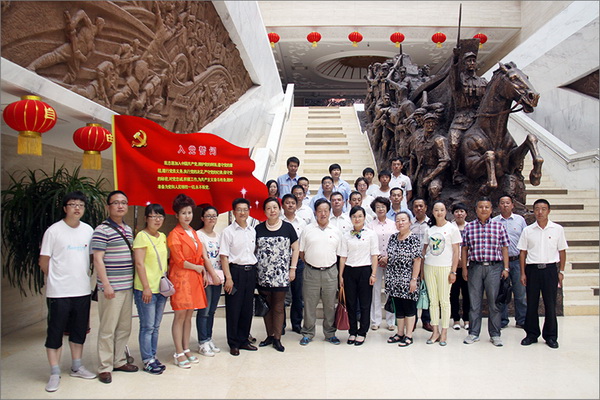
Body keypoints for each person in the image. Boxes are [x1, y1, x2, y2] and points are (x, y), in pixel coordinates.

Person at [39, 191, 96, 392]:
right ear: (65, 208)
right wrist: (57, 278)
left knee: (79, 331)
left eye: (81, 204)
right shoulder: (54, 231)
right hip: (59, 292)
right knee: (55, 332)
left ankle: (77, 366)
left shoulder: (88, 230)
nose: (77, 208)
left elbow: (92, 258)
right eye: (73, 204)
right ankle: (54, 372)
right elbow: (43, 261)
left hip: (82, 290)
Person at [92, 190, 138, 384]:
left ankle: (119, 361)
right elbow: (98, 259)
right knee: (108, 328)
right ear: (108, 206)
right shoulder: (101, 230)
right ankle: (104, 366)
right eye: (116, 203)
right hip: (111, 288)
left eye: (124, 203)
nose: (120, 206)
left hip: (127, 286)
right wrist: (106, 285)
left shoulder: (128, 229)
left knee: (124, 327)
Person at [167, 194, 215, 368]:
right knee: (180, 315)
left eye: (189, 212)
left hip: (193, 278)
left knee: (189, 315)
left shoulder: (193, 232)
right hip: (181, 278)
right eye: (183, 213)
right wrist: (197, 268)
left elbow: (199, 256)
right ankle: (178, 351)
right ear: (177, 215)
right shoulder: (174, 234)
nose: (187, 216)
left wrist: (201, 272)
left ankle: (186, 348)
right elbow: (179, 260)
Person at [518, 199, 568, 349]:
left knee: (550, 304)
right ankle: (531, 334)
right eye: (537, 209)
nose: (540, 212)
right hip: (532, 270)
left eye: (543, 209)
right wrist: (522, 273)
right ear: (533, 211)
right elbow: (522, 253)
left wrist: (561, 271)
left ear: (549, 211)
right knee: (532, 303)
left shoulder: (557, 229)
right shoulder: (528, 230)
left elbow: (562, 251)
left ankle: (551, 336)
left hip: (550, 270)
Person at [461, 197, 510, 347]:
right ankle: (473, 333)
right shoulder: (469, 227)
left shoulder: (498, 226)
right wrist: (464, 268)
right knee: (474, 303)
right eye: (481, 207)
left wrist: (506, 268)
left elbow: (504, 248)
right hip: (475, 267)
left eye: (487, 207)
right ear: (476, 210)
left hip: (494, 268)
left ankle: (495, 334)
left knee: (494, 303)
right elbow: (464, 249)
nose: (484, 210)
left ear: (491, 210)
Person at [256, 198, 299, 352]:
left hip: (281, 275)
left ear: (279, 209)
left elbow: (296, 248)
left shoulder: (288, 228)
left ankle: (277, 338)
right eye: (268, 208)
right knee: (266, 307)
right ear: (264, 211)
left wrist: (292, 269)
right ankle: (269, 335)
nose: (272, 211)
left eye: (275, 207)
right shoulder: (258, 228)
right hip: (263, 275)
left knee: (279, 307)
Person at [299, 199, 344, 346]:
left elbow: (339, 254)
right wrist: (312, 263)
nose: (323, 214)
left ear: (330, 212)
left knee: (329, 305)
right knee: (309, 304)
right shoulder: (307, 230)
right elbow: (301, 252)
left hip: (330, 272)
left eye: (326, 211)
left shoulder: (336, 231)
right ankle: (308, 333)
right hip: (311, 272)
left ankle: (330, 333)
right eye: (320, 211)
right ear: (315, 212)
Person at [133, 204, 168, 375]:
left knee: (155, 326)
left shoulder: (162, 236)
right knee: (147, 326)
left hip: (161, 289)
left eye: (160, 216)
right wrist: (146, 287)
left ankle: (153, 356)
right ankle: (147, 360)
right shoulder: (141, 236)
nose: (157, 220)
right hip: (145, 289)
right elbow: (139, 264)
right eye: (153, 216)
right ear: (146, 218)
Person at [220, 198, 258, 356]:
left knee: (247, 308)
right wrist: (228, 278)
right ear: (234, 212)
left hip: (251, 272)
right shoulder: (228, 232)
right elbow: (224, 257)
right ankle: (233, 343)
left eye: (245, 209)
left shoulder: (252, 230)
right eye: (239, 209)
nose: (243, 212)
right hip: (235, 272)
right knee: (234, 309)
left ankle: (244, 340)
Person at [422, 202, 462, 346]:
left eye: (442, 210)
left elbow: (456, 252)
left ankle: (444, 332)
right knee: (433, 301)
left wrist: (453, 271)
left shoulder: (452, 229)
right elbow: (425, 250)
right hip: (430, 267)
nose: (439, 212)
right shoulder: (429, 229)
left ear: (446, 212)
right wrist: (421, 271)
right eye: (436, 210)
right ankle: (435, 331)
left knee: (444, 301)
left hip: (445, 268)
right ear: (432, 212)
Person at [339, 206, 379, 346]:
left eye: (360, 216)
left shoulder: (371, 234)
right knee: (350, 303)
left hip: (365, 270)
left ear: (364, 218)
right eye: (354, 216)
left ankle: (362, 332)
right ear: (350, 218)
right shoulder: (346, 235)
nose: (357, 219)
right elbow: (343, 257)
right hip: (349, 271)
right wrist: (341, 276)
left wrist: (373, 274)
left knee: (364, 304)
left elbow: (374, 255)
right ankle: (352, 331)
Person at [385, 212, 423, 347]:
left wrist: (414, 279)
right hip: (394, 278)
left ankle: (409, 335)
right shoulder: (393, 238)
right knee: (399, 308)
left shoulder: (414, 239)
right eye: (398, 220)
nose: (400, 223)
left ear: (409, 222)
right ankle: (399, 333)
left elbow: (417, 260)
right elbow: (390, 256)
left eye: (403, 220)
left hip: (408, 278)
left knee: (409, 308)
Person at [492, 194, 527, 329]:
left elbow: (525, 240)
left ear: (512, 205)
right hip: (500, 262)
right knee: (502, 291)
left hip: (517, 261)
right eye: (502, 203)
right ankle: (502, 319)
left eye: (507, 203)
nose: (505, 205)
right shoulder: (494, 221)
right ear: (498, 206)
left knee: (520, 292)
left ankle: (522, 319)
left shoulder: (520, 220)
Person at [196, 205, 225, 357]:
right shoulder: (199, 235)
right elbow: (205, 257)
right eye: (208, 216)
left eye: (214, 216)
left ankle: (209, 338)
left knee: (212, 310)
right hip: (206, 277)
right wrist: (212, 274)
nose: (211, 218)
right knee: (204, 311)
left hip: (217, 276)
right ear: (202, 218)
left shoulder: (218, 235)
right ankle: (202, 341)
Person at [368, 196, 398, 331]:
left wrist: (388, 257)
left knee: (390, 290)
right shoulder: (370, 225)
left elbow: (397, 241)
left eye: (383, 207)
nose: (380, 209)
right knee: (375, 290)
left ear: (387, 208)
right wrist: (379, 257)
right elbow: (369, 243)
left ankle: (391, 321)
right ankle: (375, 320)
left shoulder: (393, 224)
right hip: (375, 261)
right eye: (378, 207)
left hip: (391, 261)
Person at [281, 194, 308, 334]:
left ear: (297, 206)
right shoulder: (279, 221)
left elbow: (304, 242)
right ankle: (280, 325)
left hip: (298, 262)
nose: (290, 205)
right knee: (281, 295)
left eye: (293, 202)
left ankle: (297, 324)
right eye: (287, 202)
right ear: (282, 205)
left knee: (298, 295)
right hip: (281, 262)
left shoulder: (302, 223)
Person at [411, 198, 433, 332]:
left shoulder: (431, 224)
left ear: (425, 207)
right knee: (412, 290)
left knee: (427, 290)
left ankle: (426, 320)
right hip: (412, 262)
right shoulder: (410, 223)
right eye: (416, 206)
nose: (418, 208)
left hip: (427, 261)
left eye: (421, 206)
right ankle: (412, 320)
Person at [450, 203, 470, 330]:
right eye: (457, 211)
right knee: (454, 294)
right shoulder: (449, 227)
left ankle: (467, 319)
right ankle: (456, 319)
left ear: (466, 213)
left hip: (467, 266)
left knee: (467, 294)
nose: (459, 214)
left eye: (462, 211)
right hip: (453, 267)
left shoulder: (470, 227)